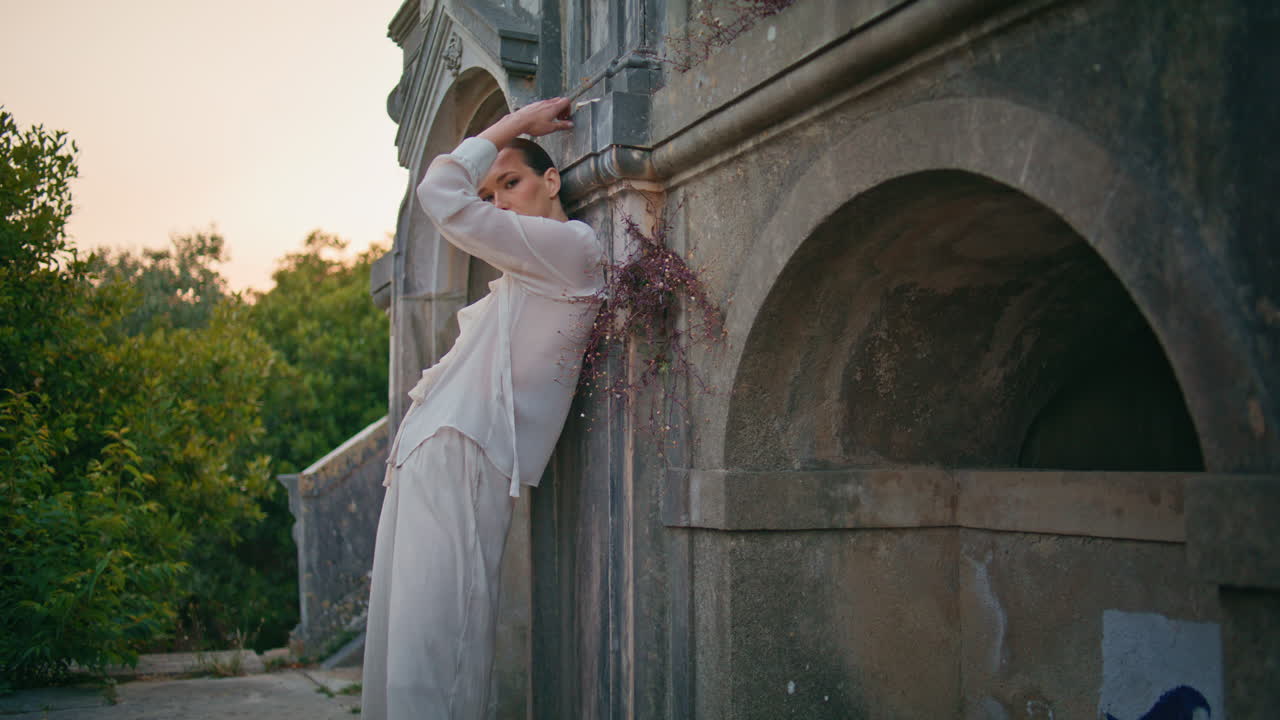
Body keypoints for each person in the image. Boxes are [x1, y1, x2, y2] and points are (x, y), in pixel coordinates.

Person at [360, 97, 604, 720]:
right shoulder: (530, 273)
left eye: (512, 183)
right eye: (493, 191)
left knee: (443, 646)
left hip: (461, 452)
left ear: (553, 181)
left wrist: (516, 123)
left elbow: (441, 191)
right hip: (432, 455)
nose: (499, 202)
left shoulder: (571, 248)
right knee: (412, 646)